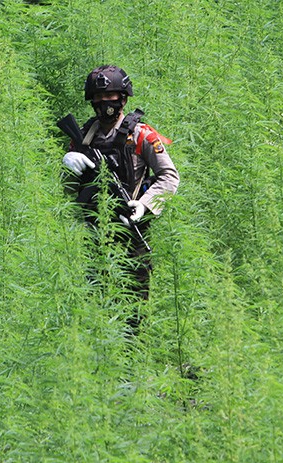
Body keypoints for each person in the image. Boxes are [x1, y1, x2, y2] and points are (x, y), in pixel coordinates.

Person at [61, 65, 180, 306]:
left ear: (123, 99)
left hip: (130, 232)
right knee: (93, 304)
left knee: (133, 311)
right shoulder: (82, 137)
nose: (105, 102)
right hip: (92, 235)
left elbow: (169, 176)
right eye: (99, 97)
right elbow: (67, 190)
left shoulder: (141, 135)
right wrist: (67, 167)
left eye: (110, 96)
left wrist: (145, 206)